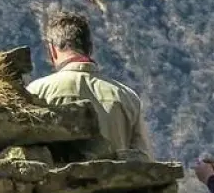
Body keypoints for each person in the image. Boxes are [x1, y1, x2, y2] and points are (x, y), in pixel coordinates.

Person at [27, 10, 151, 157]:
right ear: (90, 48)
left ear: (53, 50)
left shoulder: (36, 92)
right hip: (114, 179)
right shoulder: (127, 98)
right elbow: (144, 158)